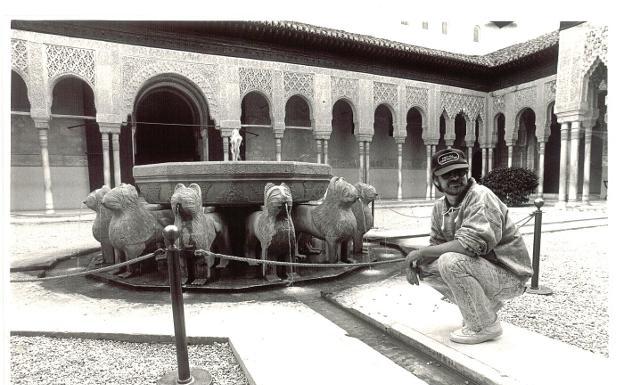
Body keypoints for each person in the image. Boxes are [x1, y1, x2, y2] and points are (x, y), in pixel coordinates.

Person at [405, 148, 533, 344]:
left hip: (509, 275)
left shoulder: (481, 196)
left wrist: (421, 252)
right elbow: (437, 244)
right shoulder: (440, 207)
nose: (455, 178)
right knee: (427, 268)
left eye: (460, 172)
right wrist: (415, 263)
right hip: (483, 270)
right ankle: (483, 307)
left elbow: (469, 247)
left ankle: (485, 325)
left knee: (450, 261)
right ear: (436, 180)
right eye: (448, 174)